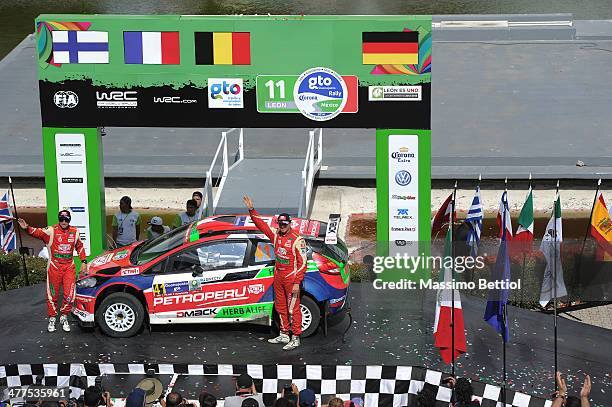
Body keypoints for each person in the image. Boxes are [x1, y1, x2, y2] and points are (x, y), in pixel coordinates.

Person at [243, 195, 307, 351]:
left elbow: (303, 263)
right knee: (280, 306)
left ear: (289, 224)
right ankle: (284, 333)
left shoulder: (298, 240)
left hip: (291, 278)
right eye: (280, 223)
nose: (282, 226)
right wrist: (252, 209)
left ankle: (296, 337)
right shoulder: (276, 234)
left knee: (293, 309)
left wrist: (297, 282)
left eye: (285, 224)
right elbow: (261, 225)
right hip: (278, 275)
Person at [18, 210, 87, 333]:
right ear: (59, 219)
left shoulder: (74, 232)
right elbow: (38, 233)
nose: (64, 222)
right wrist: (26, 228)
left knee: (70, 296)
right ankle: (52, 318)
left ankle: (64, 316)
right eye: (61, 219)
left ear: (69, 220)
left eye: (66, 219)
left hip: (69, 267)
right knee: (52, 296)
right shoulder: (51, 230)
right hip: (54, 267)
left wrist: (84, 262)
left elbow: (80, 246)